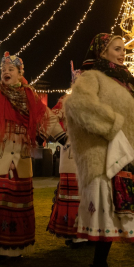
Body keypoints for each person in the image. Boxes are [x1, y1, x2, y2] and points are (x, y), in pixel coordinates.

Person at [65, 34, 134, 267]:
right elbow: (77, 104)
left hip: (126, 156)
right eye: (117, 49)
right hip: (102, 156)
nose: (122, 54)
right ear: (102, 51)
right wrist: (113, 125)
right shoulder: (92, 77)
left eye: (123, 50)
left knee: (115, 216)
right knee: (105, 215)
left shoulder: (129, 82)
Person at [0, 52, 64, 263]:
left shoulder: (31, 97)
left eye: (11, 70)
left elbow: (48, 117)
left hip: (21, 156)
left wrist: (59, 137)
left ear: (21, 74)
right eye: (3, 70)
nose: (6, 72)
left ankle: (13, 248)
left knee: (17, 203)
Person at [47, 65, 89, 248]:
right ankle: (74, 233)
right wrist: (63, 137)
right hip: (72, 154)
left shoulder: (93, 102)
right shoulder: (65, 101)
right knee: (75, 195)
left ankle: (86, 232)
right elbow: (47, 118)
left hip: (90, 155)